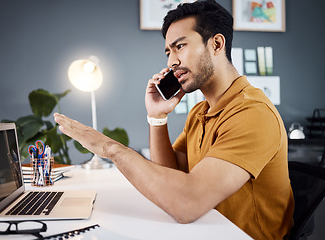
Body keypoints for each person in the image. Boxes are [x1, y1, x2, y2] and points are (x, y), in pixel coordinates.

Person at [54, 1, 294, 239]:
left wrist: (110, 148)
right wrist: (157, 117)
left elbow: (186, 203)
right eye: (169, 52)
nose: (171, 62)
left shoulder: (252, 113)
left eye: (180, 46)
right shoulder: (201, 112)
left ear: (216, 44)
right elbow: (169, 177)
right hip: (206, 231)